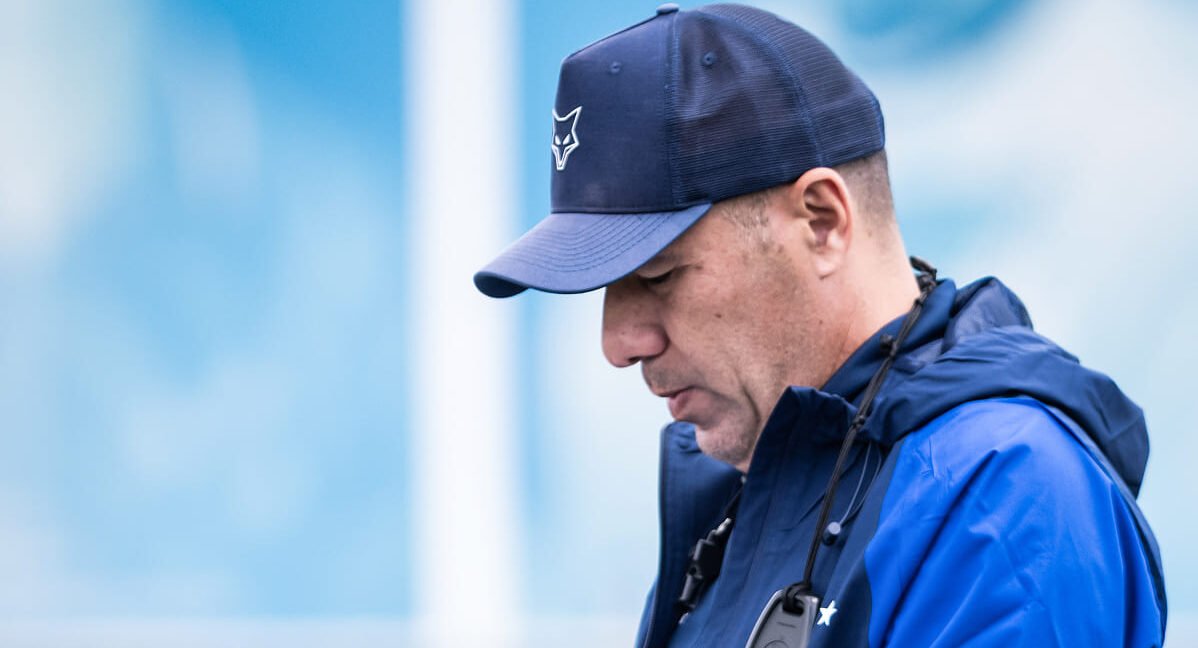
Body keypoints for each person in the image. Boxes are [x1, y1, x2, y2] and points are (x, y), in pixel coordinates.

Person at [473, 3, 1167, 646]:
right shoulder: (753, 487)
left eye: (658, 276)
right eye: (605, 286)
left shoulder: (1000, 497)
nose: (619, 343)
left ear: (823, 221)